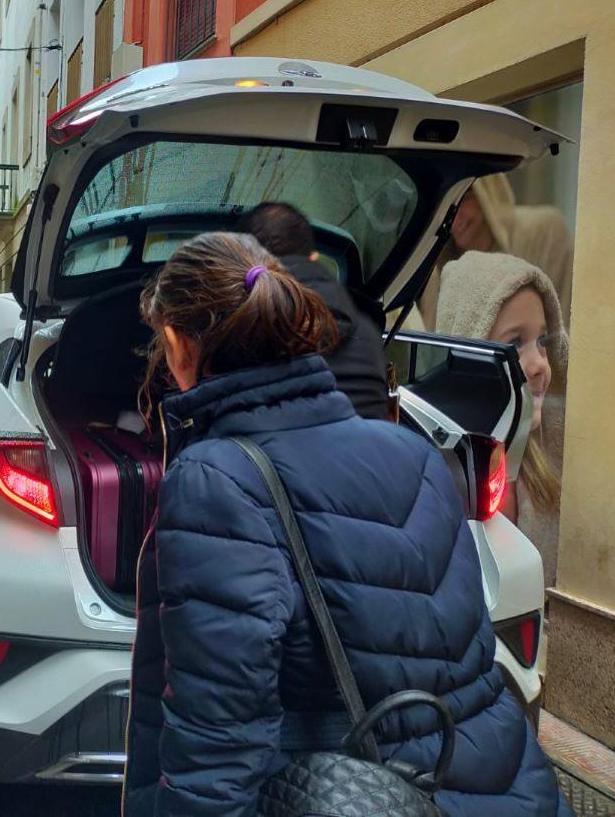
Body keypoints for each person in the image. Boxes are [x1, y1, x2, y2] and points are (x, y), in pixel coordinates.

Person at [124, 231, 566, 816]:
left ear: (179, 344)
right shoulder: (413, 454)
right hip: (506, 787)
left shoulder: (217, 479)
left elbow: (217, 750)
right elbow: (462, 657)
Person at [436, 251, 567, 588]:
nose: (540, 363)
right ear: (467, 352)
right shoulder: (436, 474)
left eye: (541, 341)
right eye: (514, 344)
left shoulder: (558, 460)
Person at [241, 202, 389, 419]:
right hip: (371, 452)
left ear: (246, 265)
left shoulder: (241, 328)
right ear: (312, 257)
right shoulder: (368, 333)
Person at [418, 173, 573, 329]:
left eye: (464, 197)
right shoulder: (438, 271)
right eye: (447, 204)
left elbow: (562, 328)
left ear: (487, 193)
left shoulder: (543, 234)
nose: (455, 218)